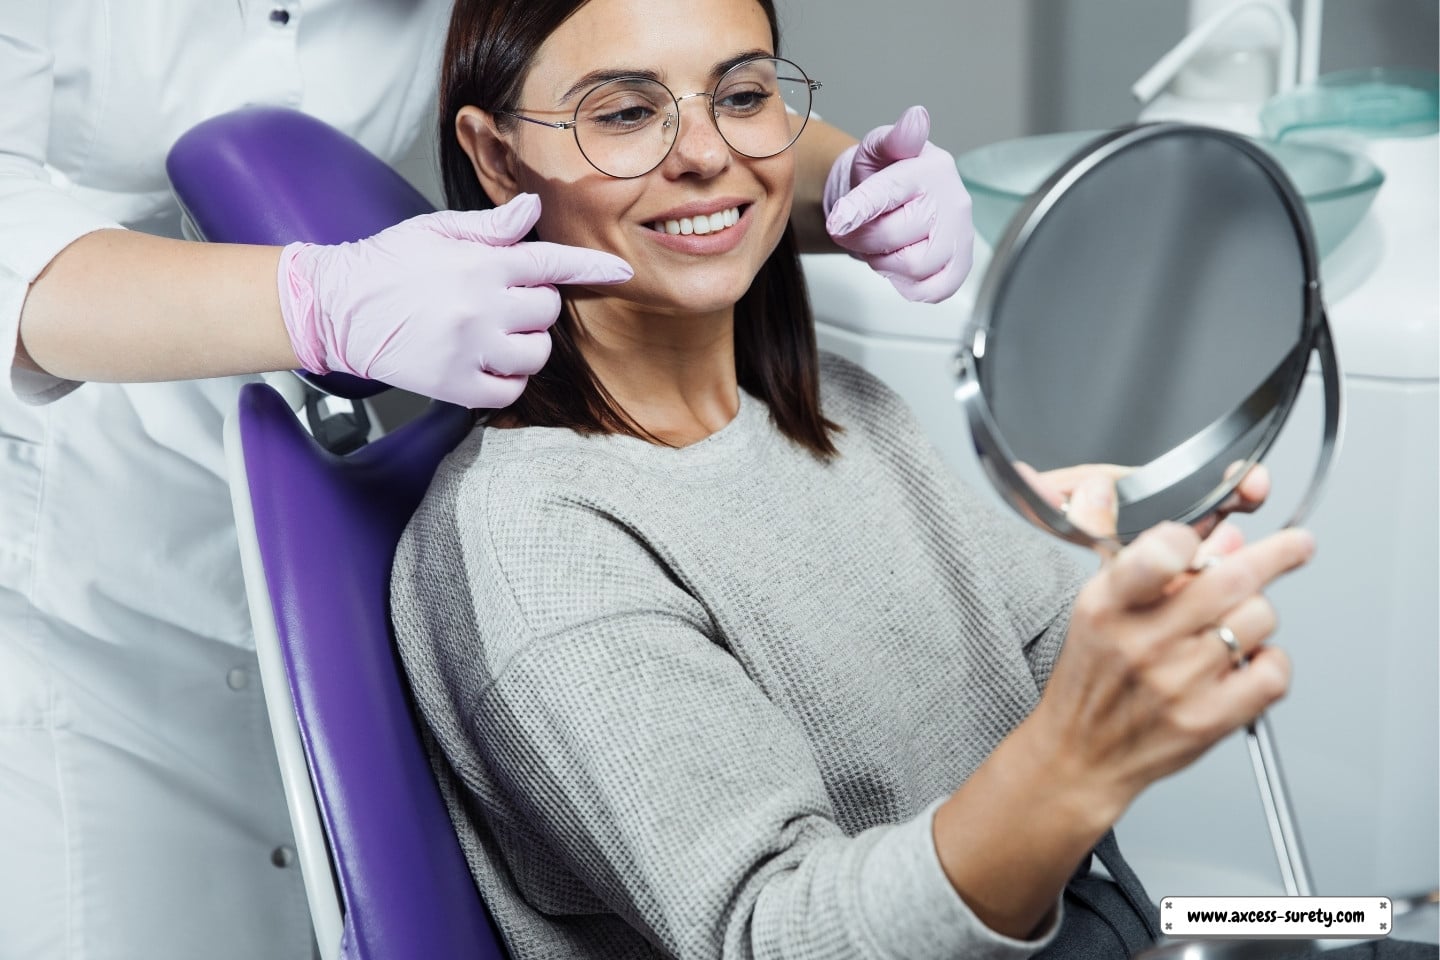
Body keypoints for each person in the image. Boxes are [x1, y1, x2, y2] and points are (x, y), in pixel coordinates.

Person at [391, 1, 1440, 958]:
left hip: (1117, 921)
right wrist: (1070, 768)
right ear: (495, 155)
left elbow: (1033, 637)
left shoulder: (835, 410)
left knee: (1386, 925)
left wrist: (1144, 581)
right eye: (624, 114)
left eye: (745, 96)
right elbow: (777, 934)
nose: (707, 153)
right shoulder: (538, 547)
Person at [0, 3, 974, 959]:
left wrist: (841, 180)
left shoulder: (840, 436)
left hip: (374, 493)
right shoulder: (533, 539)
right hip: (100, 585)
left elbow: (664, 68)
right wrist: (317, 301)